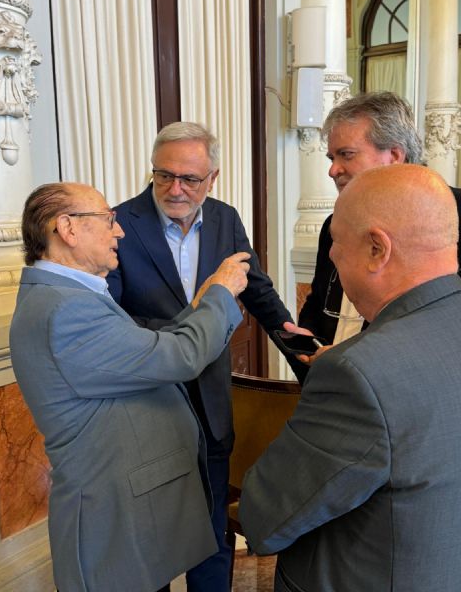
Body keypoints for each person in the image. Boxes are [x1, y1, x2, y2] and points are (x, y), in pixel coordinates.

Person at [9, 181, 251, 592]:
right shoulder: (65, 309)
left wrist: (199, 304)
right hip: (111, 516)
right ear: (67, 228)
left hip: (129, 506)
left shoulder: (70, 296)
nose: (118, 231)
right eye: (108, 220)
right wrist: (222, 295)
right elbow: (180, 357)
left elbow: (145, 352)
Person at [239, 164, 461, 592]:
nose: (333, 258)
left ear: (377, 249)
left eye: (335, 243)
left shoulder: (357, 375)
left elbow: (265, 518)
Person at [106, 121, 295, 592]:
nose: (174, 189)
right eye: (163, 175)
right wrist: (193, 320)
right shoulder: (117, 224)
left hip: (210, 404)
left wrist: (298, 348)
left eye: (189, 179)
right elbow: (111, 323)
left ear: (213, 178)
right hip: (147, 407)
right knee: (148, 534)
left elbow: (256, 288)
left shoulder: (226, 218)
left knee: (212, 532)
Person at [291, 91, 461, 379]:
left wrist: (352, 358)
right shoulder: (335, 225)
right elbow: (318, 301)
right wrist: (310, 347)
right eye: (331, 157)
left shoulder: (454, 215)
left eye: (346, 154)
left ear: (394, 155)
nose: (333, 170)